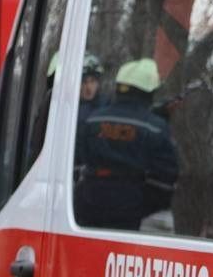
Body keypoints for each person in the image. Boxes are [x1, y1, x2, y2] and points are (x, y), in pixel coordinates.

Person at [75, 57, 179, 230]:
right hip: (130, 213)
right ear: (149, 91)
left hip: (87, 206)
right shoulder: (156, 128)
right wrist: (139, 206)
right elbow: (165, 182)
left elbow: (77, 162)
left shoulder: (93, 120)